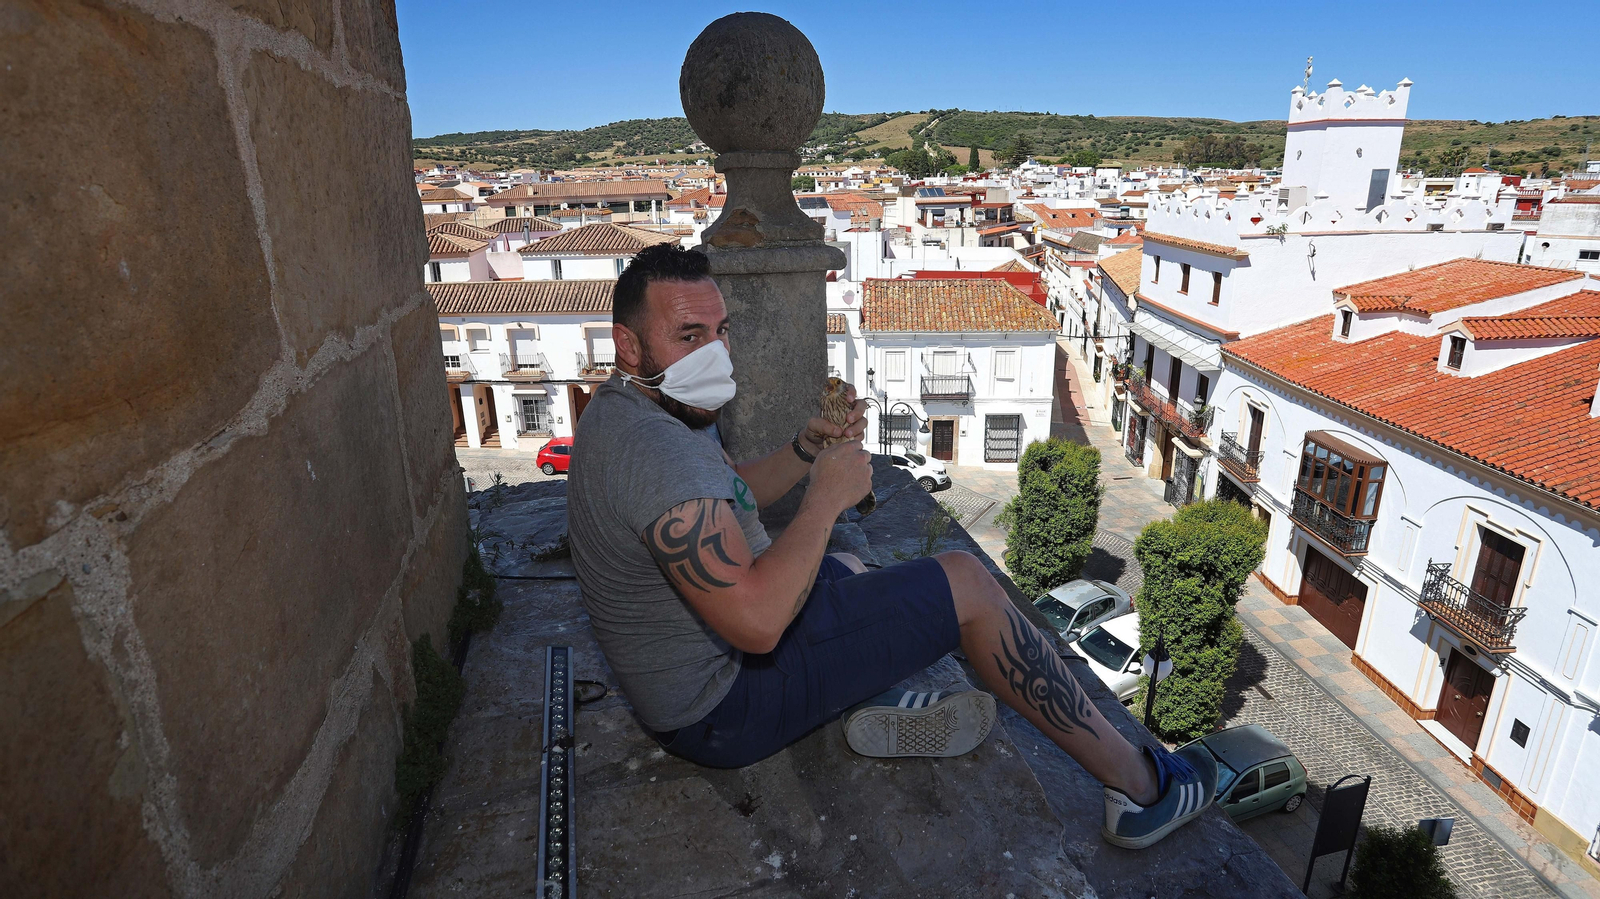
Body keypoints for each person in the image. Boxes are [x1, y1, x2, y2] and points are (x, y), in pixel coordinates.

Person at [567, 244, 1217, 850]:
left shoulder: (645, 405)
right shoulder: (655, 451)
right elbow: (759, 625)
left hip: (691, 683)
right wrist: (823, 499)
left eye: (721, 330)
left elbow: (728, 491)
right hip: (722, 706)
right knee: (966, 580)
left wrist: (804, 451)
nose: (717, 354)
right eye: (689, 336)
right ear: (628, 343)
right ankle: (1142, 786)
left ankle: (864, 686)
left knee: (849, 564)